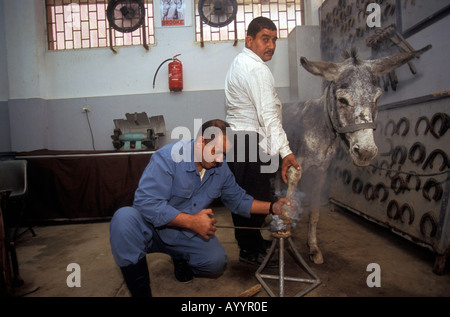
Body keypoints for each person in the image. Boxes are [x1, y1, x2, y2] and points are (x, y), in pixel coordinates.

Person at [110, 119, 290, 297]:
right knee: (123, 220)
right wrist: (191, 221)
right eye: (216, 151)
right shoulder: (168, 157)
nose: (220, 159)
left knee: (216, 262)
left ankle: (179, 257)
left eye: (224, 154)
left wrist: (273, 207)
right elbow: (146, 202)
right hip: (150, 229)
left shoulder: (220, 167)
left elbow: (239, 200)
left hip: (181, 231)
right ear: (201, 142)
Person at [225, 16, 300, 265]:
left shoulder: (240, 62)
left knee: (253, 196)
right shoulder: (256, 69)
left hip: (244, 141)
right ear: (250, 40)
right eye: (264, 39)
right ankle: (249, 251)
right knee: (251, 200)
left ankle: (253, 244)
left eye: (274, 40)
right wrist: (286, 152)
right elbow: (267, 116)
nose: (271, 45)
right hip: (250, 143)